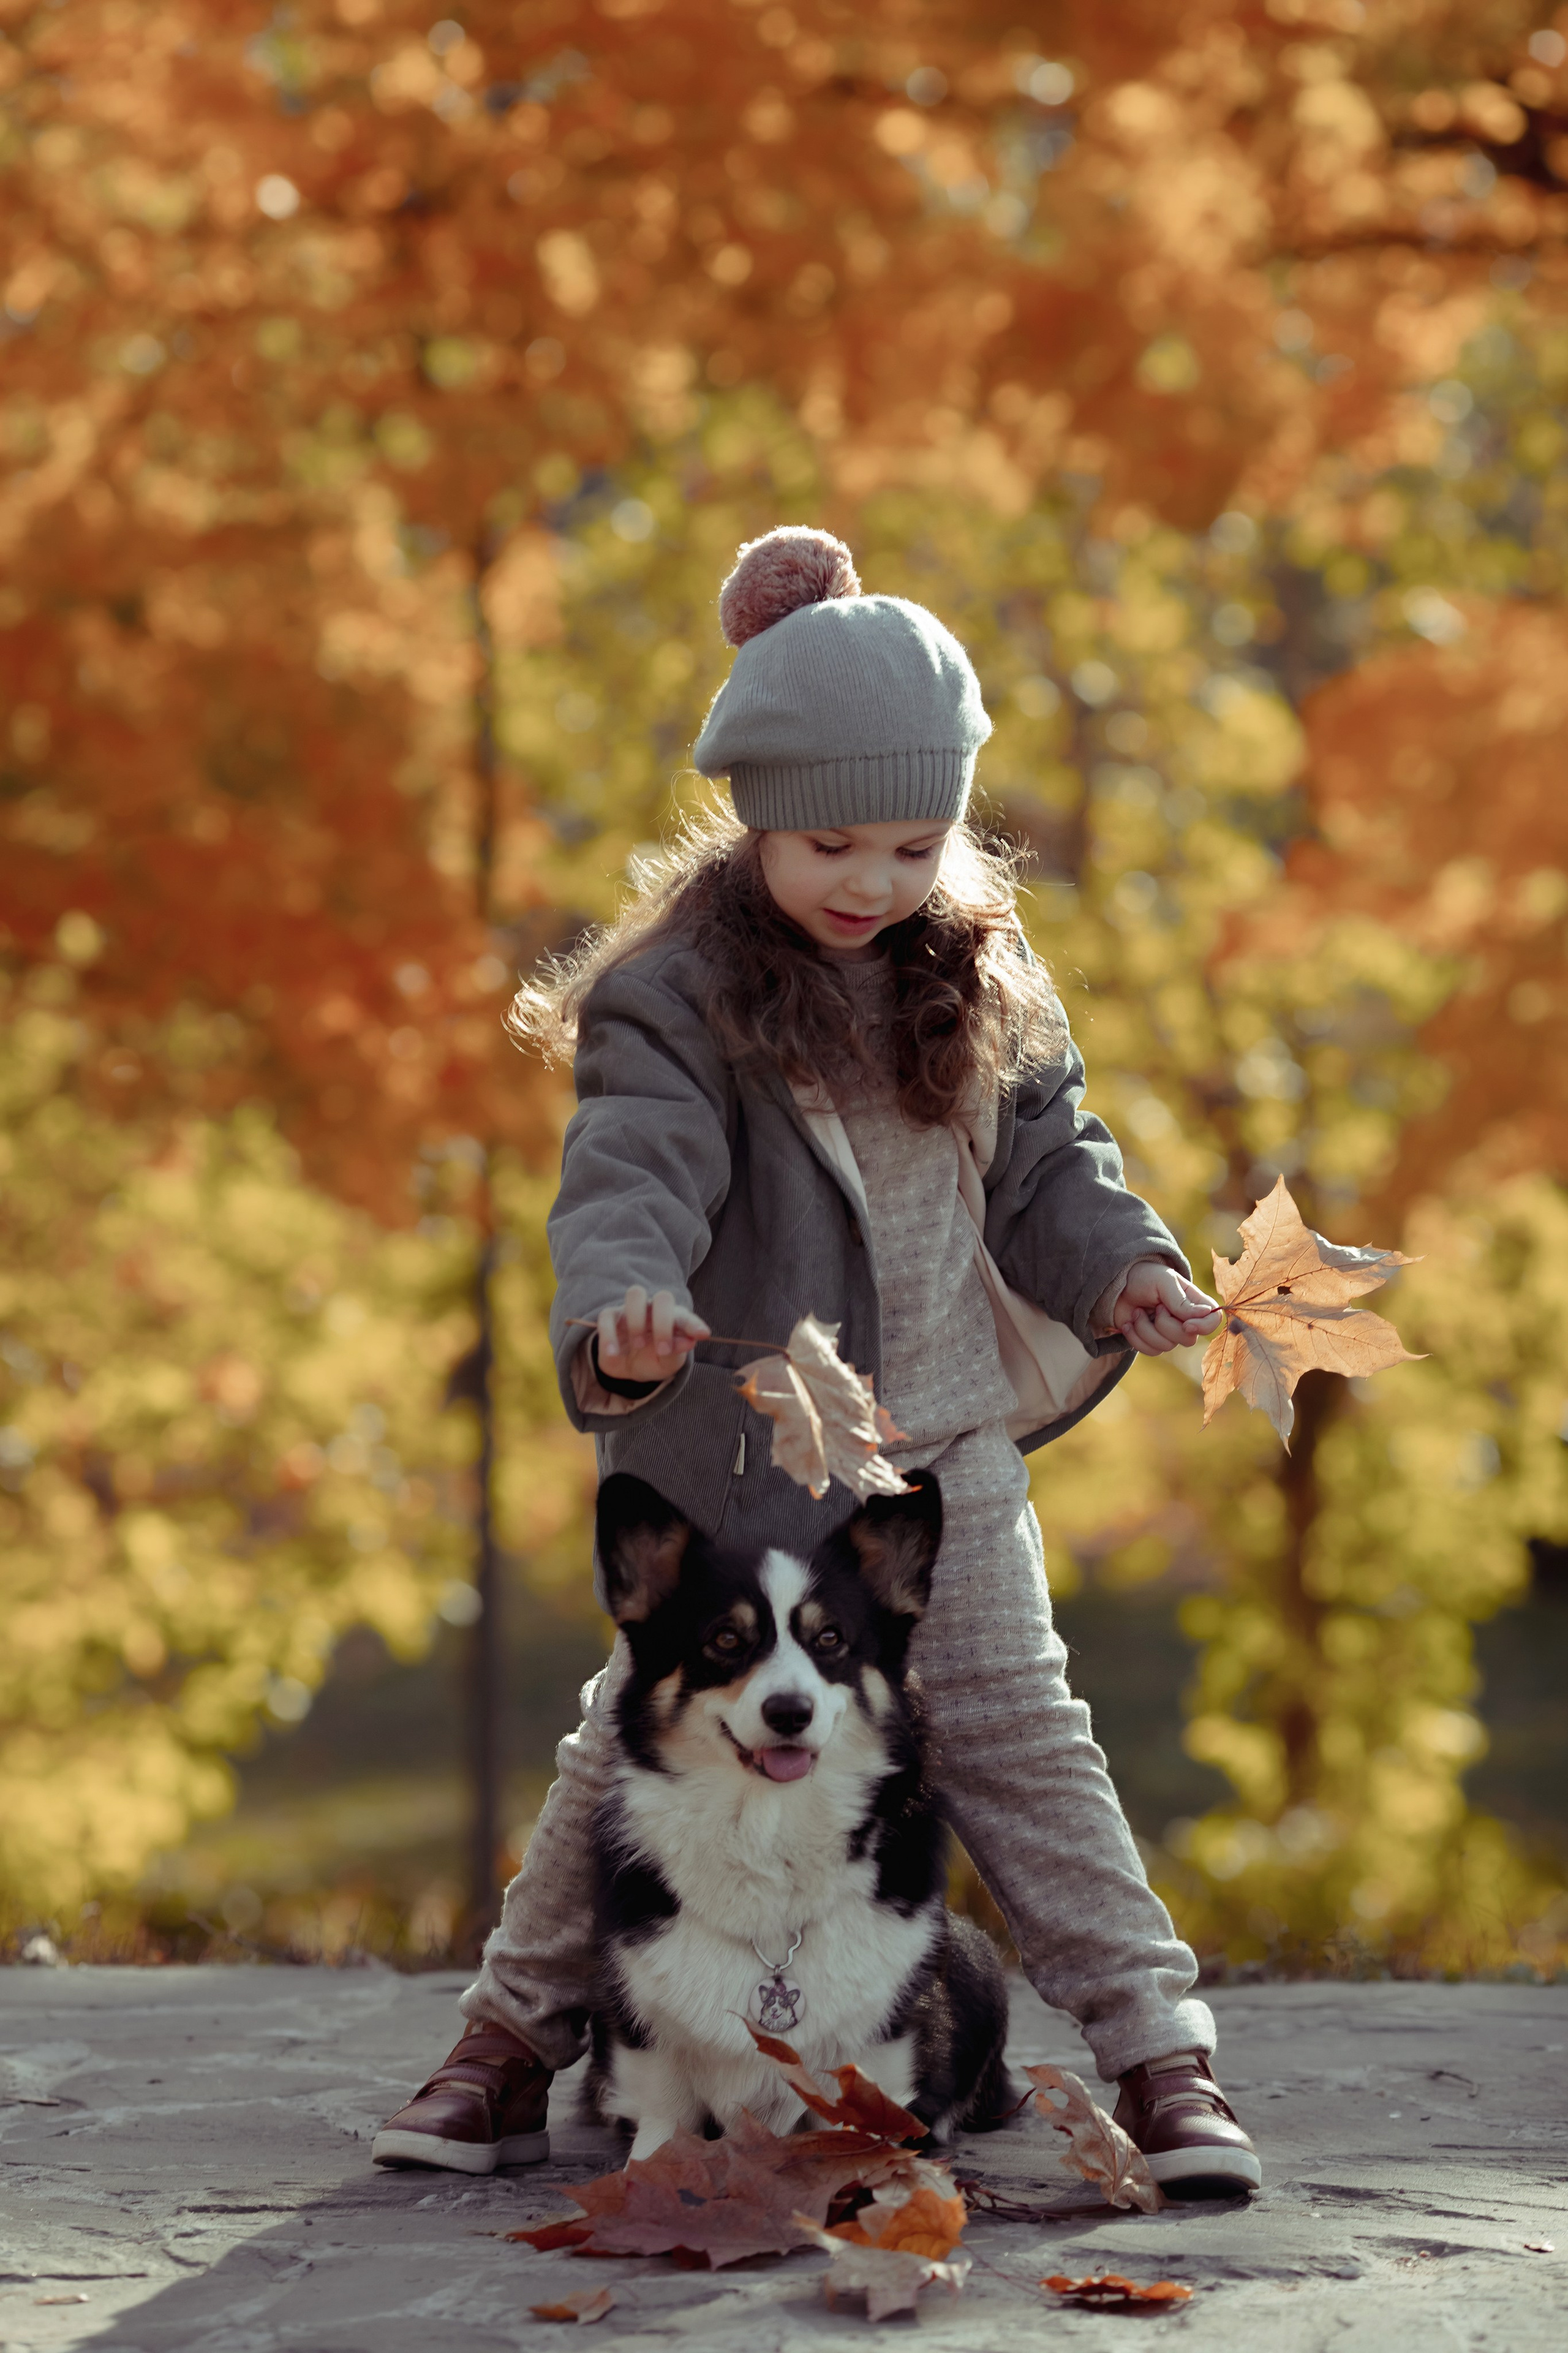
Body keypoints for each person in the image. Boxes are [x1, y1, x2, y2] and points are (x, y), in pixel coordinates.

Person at [372, 527, 1261, 2197]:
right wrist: (625, 1303)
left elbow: (1055, 1166)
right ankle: (503, 2043)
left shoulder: (985, 966)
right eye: (830, 838)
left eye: (914, 842)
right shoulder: (680, 994)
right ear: (757, 814)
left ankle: (1161, 2055)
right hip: (760, 1453)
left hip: (949, 1449)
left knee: (1016, 1728)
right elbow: (633, 1166)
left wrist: (1130, 1268)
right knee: (636, 1744)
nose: (870, 878)